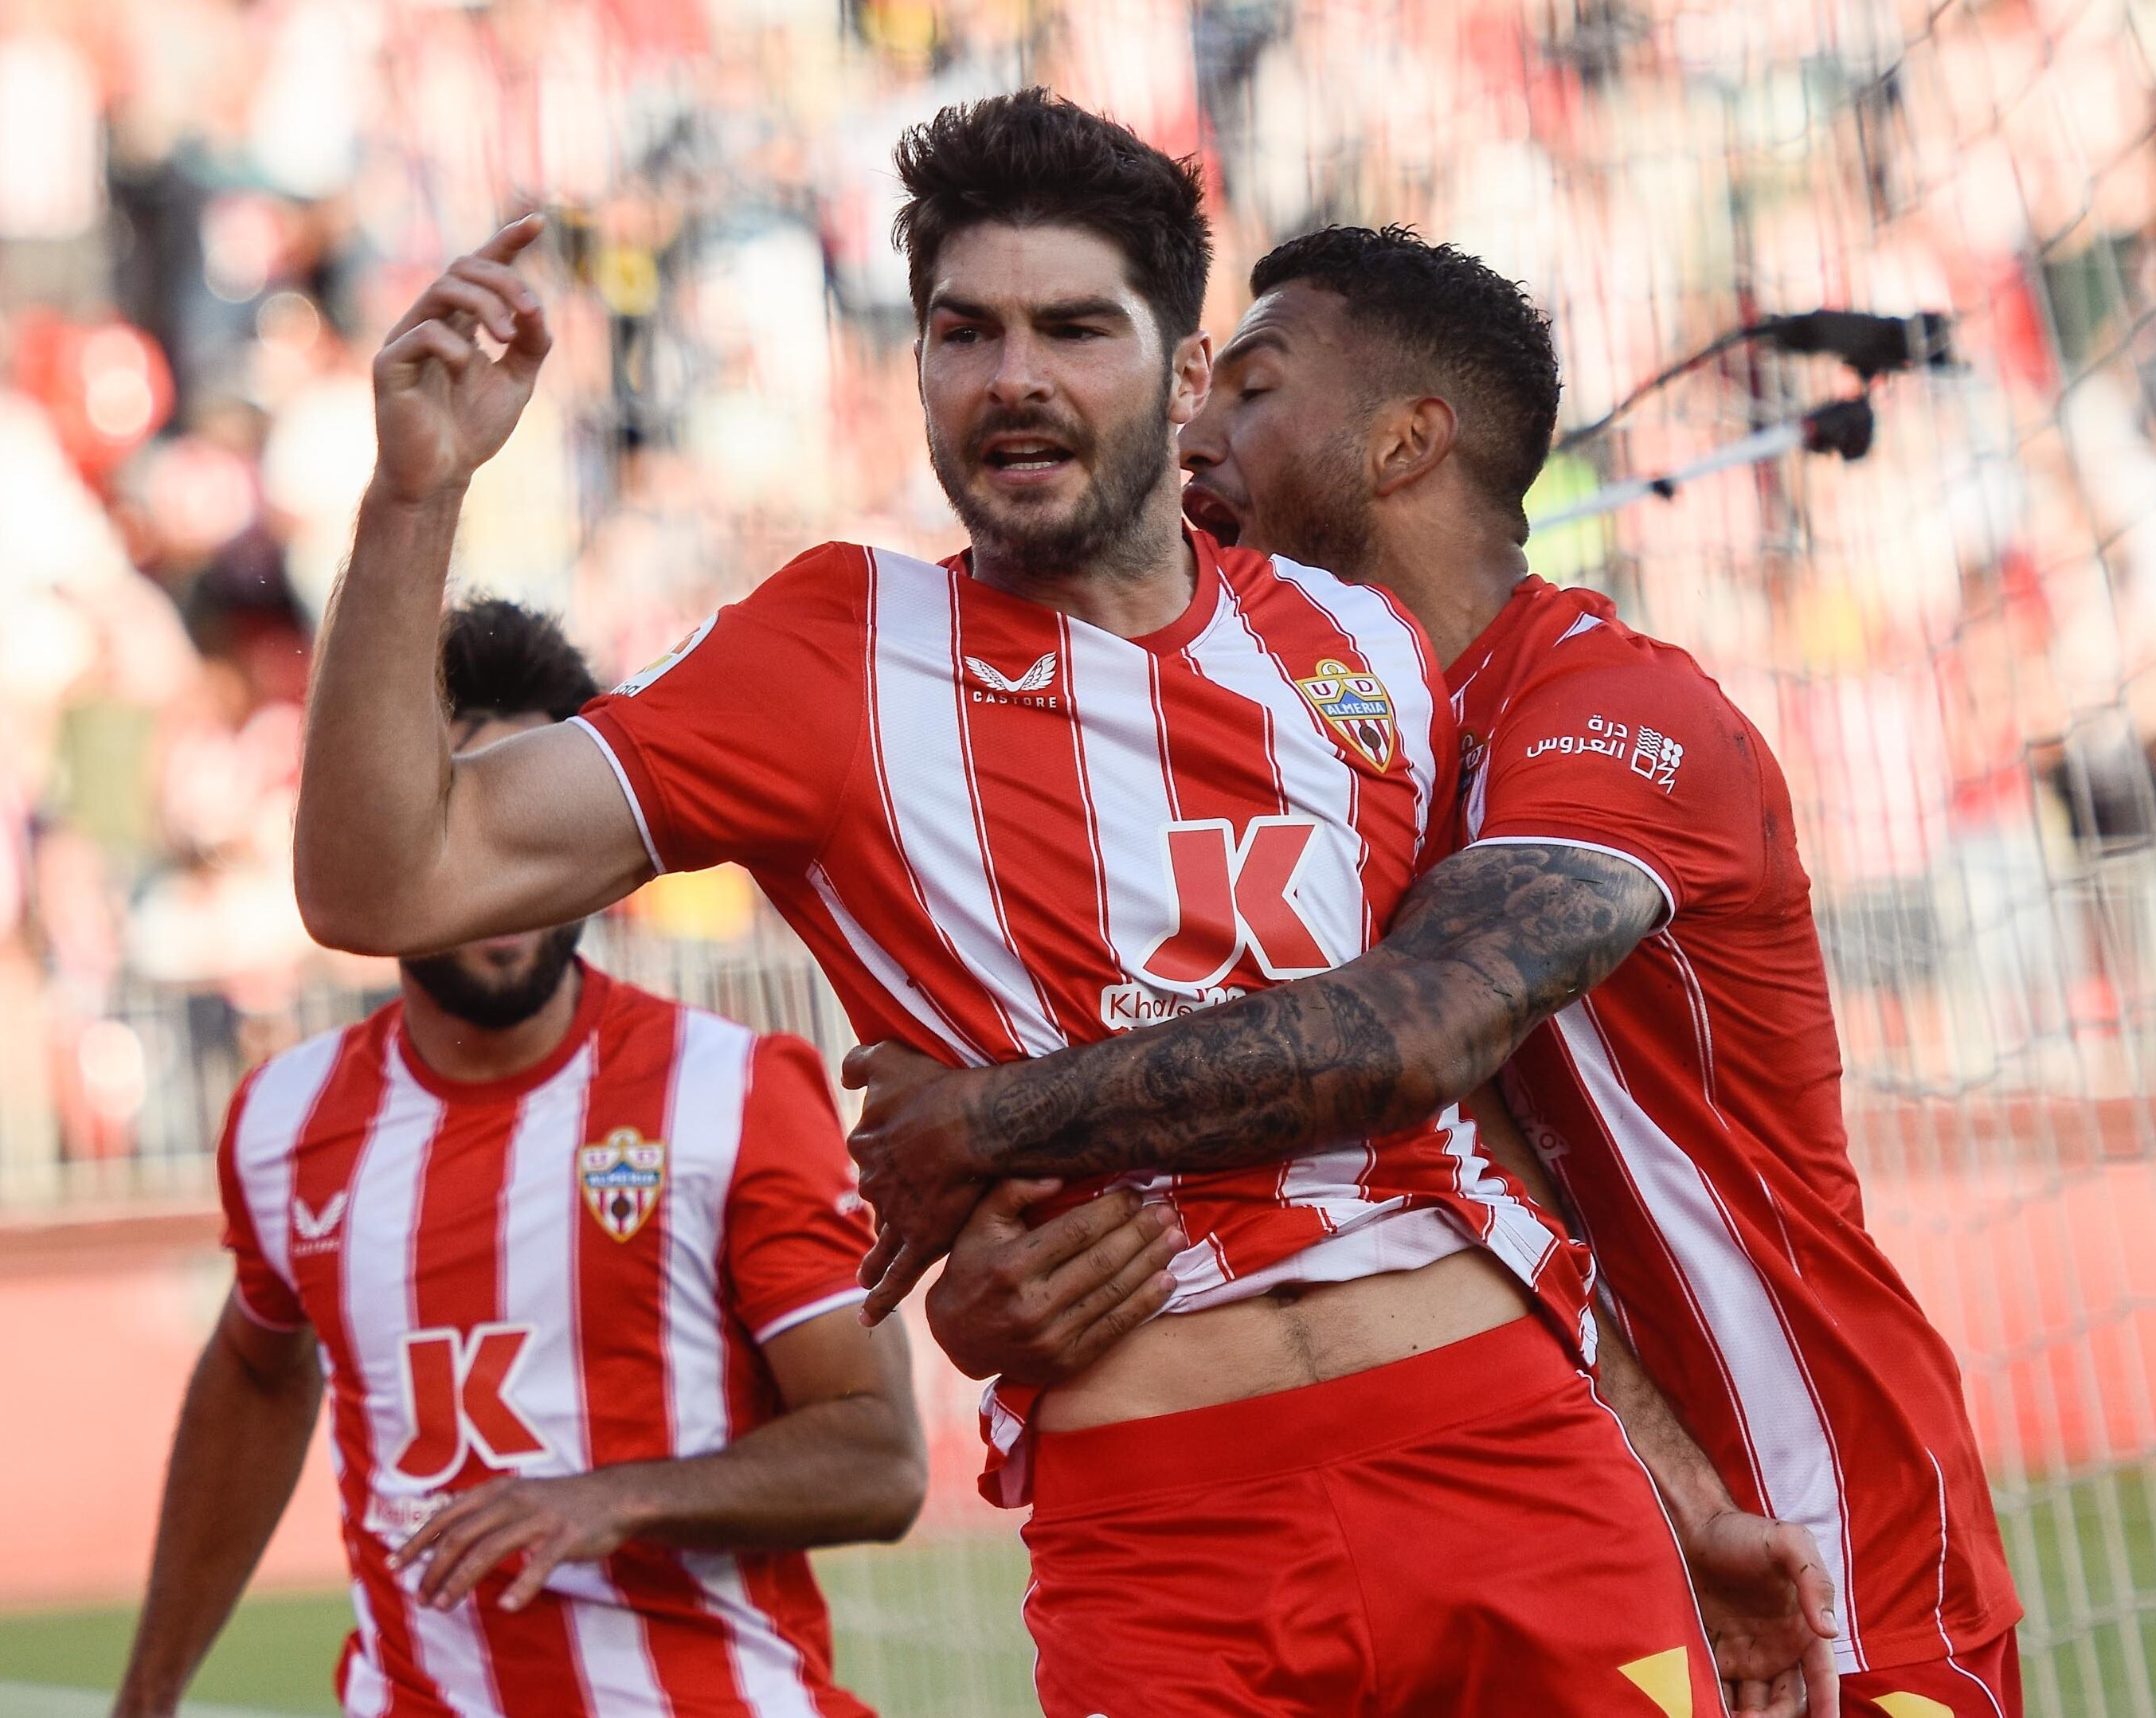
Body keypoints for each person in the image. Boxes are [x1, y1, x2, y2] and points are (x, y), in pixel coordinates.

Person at [295, 88, 1722, 1717]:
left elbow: (1467, 1096)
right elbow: (381, 880)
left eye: (1073, 328)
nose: (1014, 375)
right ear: (916, 370)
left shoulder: (1363, 650)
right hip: (1167, 1539)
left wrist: (1668, 1460)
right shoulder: (830, 651)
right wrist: (412, 498)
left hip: (1507, 1456)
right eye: (962, 332)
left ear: (1184, 375)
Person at [843, 224, 2023, 1717]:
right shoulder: (1310, 765)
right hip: (1542, 1502)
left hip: (1815, 1522)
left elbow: (1413, 1040)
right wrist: (1000, 1280)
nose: (1191, 426)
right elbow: (1404, 1166)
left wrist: (983, 1118)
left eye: (1252, 387)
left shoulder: (1612, 709)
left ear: (1407, 442)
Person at [115, 600, 924, 1718]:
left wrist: (614, 1499)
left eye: (529, 818)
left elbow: (880, 1456)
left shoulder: (731, 1093)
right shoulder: (285, 1120)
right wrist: (150, 1689)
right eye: (460, 811)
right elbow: (258, 1368)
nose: (501, 875)